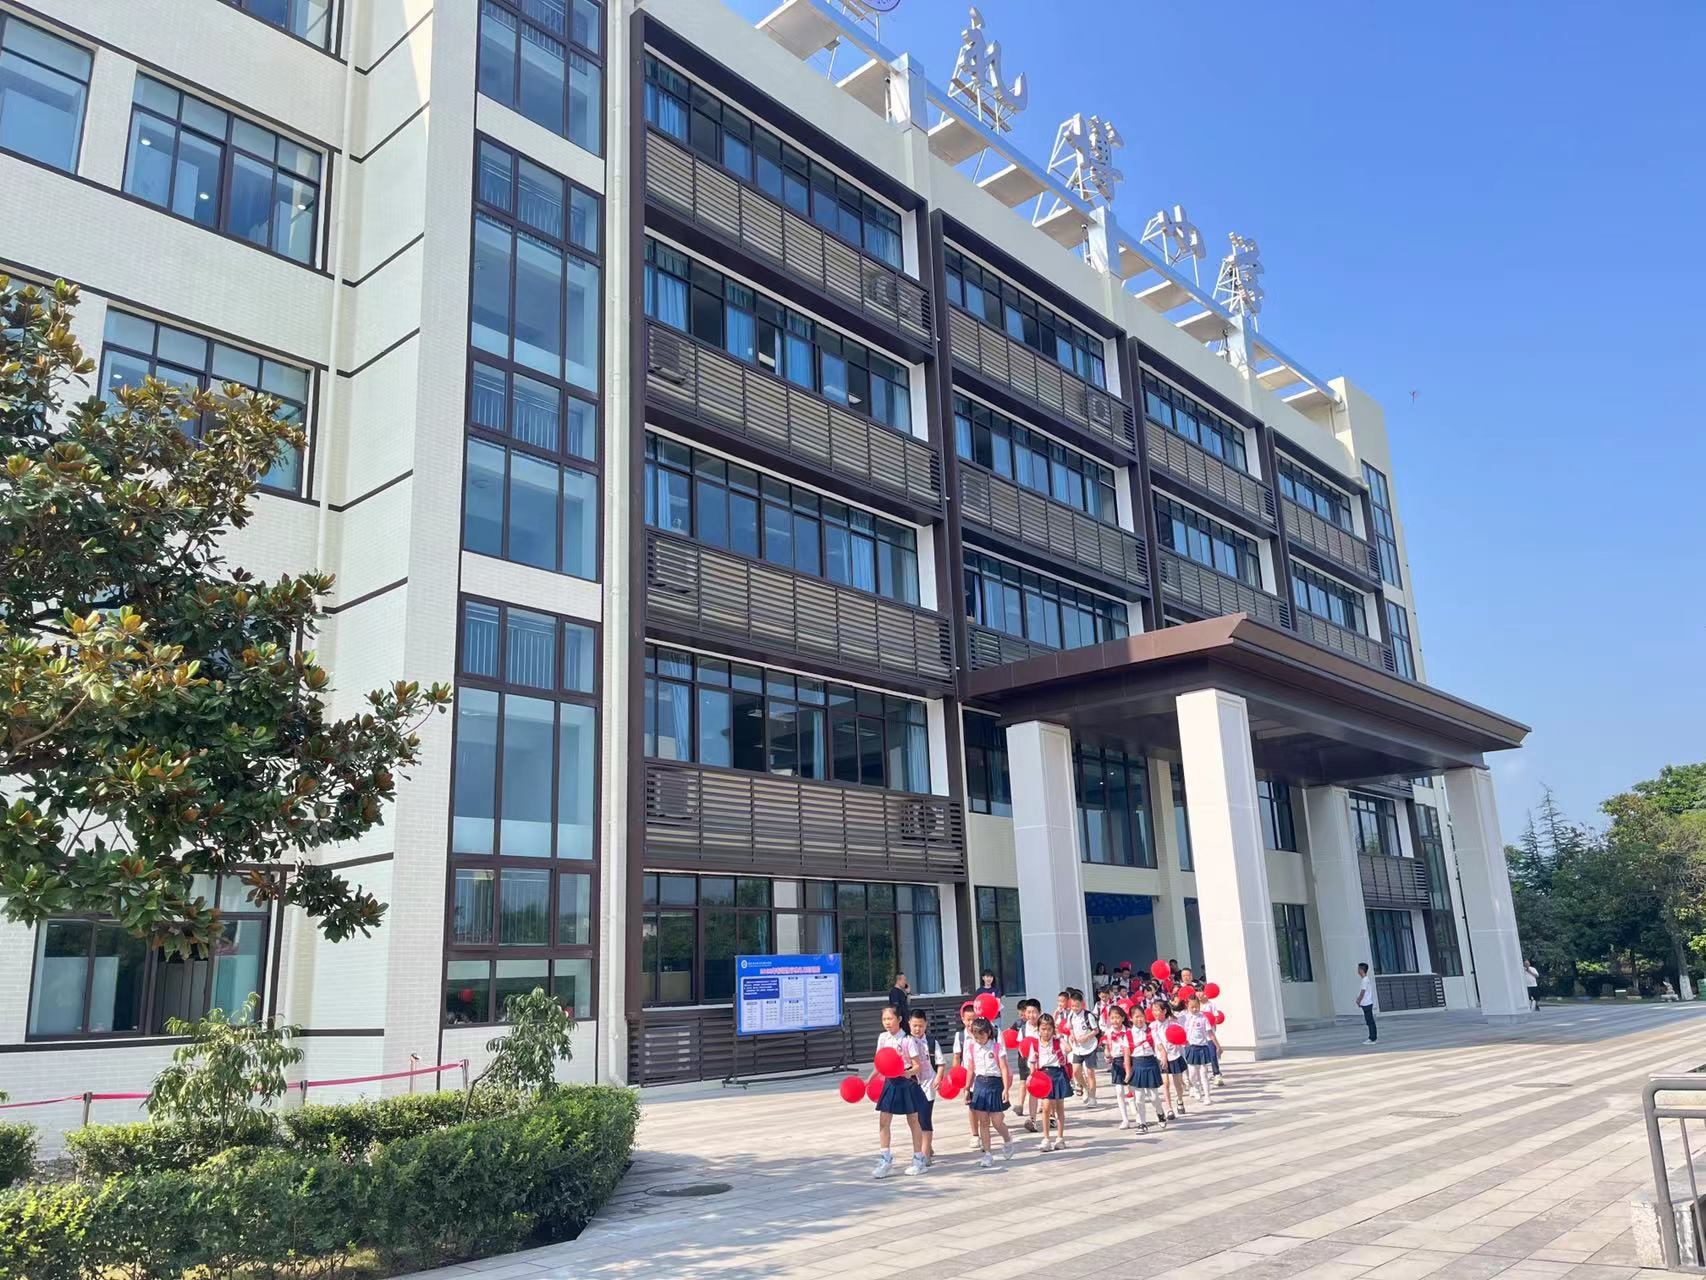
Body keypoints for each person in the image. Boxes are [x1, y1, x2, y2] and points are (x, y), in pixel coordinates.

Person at [872, 1005, 925, 1178]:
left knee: (913, 1121)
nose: (887, 1022)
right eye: (884, 1019)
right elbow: (879, 1064)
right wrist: (868, 1080)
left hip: (906, 1083)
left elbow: (917, 1066)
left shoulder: (908, 1040)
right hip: (890, 1082)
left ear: (899, 1019)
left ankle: (918, 1160)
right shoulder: (883, 1038)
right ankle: (885, 1159)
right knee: (883, 1121)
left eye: (890, 1019)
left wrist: (907, 1073)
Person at [964, 1016, 1014, 1167]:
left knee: (997, 1121)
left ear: (988, 1033)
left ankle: (1007, 1140)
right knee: (983, 1121)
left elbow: (1003, 1068)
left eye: (982, 1036)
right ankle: (988, 1154)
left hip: (995, 1084)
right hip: (980, 1084)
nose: (979, 1040)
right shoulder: (972, 1047)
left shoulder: (997, 1047)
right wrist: (967, 1088)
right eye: (976, 1037)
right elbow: (971, 1068)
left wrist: (1006, 1088)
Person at [1027, 1014, 1073, 1151]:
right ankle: (1046, 1138)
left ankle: (1060, 1138)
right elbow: (1032, 1062)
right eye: (1043, 1029)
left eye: (1049, 1029)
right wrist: (1032, 1077)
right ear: (1038, 1029)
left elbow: (1068, 1049)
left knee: (1059, 1107)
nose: (1046, 1032)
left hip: (1058, 1074)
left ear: (1053, 1029)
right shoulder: (1035, 1044)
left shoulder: (1057, 1041)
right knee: (1046, 1106)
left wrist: (1060, 1037)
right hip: (1043, 1076)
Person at [906, 1009, 939, 1166]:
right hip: (912, 1085)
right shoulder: (905, 1042)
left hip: (928, 1084)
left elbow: (940, 1063)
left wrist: (939, 1077)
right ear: (909, 1024)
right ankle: (926, 1147)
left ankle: (925, 1154)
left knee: (925, 1118)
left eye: (920, 1025)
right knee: (916, 1119)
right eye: (914, 1025)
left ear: (926, 1024)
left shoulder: (932, 1042)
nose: (917, 1029)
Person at [949, 1001, 980, 1150]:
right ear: (963, 1019)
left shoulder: (984, 1032)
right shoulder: (960, 1036)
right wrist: (956, 1076)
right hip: (968, 1077)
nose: (971, 1023)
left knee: (984, 1107)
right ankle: (975, 1135)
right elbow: (957, 1056)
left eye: (974, 1019)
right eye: (968, 1020)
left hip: (982, 1074)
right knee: (972, 1106)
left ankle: (985, 1130)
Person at [1066, 989, 1101, 1108]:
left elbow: (1096, 1030)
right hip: (1077, 1048)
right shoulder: (1071, 1015)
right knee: (1076, 1071)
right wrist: (1072, 1035)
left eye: (1077, 1005)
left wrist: (1086, 1037)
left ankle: (1092, 1097)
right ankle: (1086, 1088)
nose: (1075, 1008)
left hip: (1089, 1047)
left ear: (1082, 1004)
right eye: (1073, 1006)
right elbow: (1071, 1028)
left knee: (1090, 1072)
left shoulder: (1088, 1015)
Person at [1181, 995, 1215, 1106]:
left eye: (1197, 1006)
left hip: (1202, 1047)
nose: (1195, 1009)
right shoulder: (1185, 1018)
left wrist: (1216, 1045)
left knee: (1204, 1073)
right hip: (1191, 1048)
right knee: (1192, 1074)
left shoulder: (1203, 1018)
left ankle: (1207, 1096)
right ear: (1188, 1006)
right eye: (1192, 1007)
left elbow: (1210, 1032)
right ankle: (1196, 1087)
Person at [1357, 962, 1378, 1044]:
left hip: (1367, 1003)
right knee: (1369, 1021)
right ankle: (1372, 1037)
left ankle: (1372, 1038)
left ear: (1362, 970)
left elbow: (1362, 992)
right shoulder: (1365, 980)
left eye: (1359, 969)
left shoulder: (1365, 980)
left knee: (1370, 1021)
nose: (1358, 971)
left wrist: (1358, 1000)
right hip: (1366, 1003)